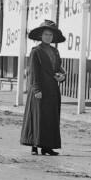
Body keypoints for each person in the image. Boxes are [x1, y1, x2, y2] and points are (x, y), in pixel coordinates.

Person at [20, 20, 66, 156]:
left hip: (52, 89)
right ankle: (35, 145)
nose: (48, 37)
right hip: (40, 89)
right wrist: (36, 89)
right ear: (41, 36)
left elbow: (58, 69)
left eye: (50, 35)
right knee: (38, 116)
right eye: (46, 34)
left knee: (51, 118)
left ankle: (48, 146)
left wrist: (62, 77)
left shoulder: (55, 51)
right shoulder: (36, 51)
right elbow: (33, 72)